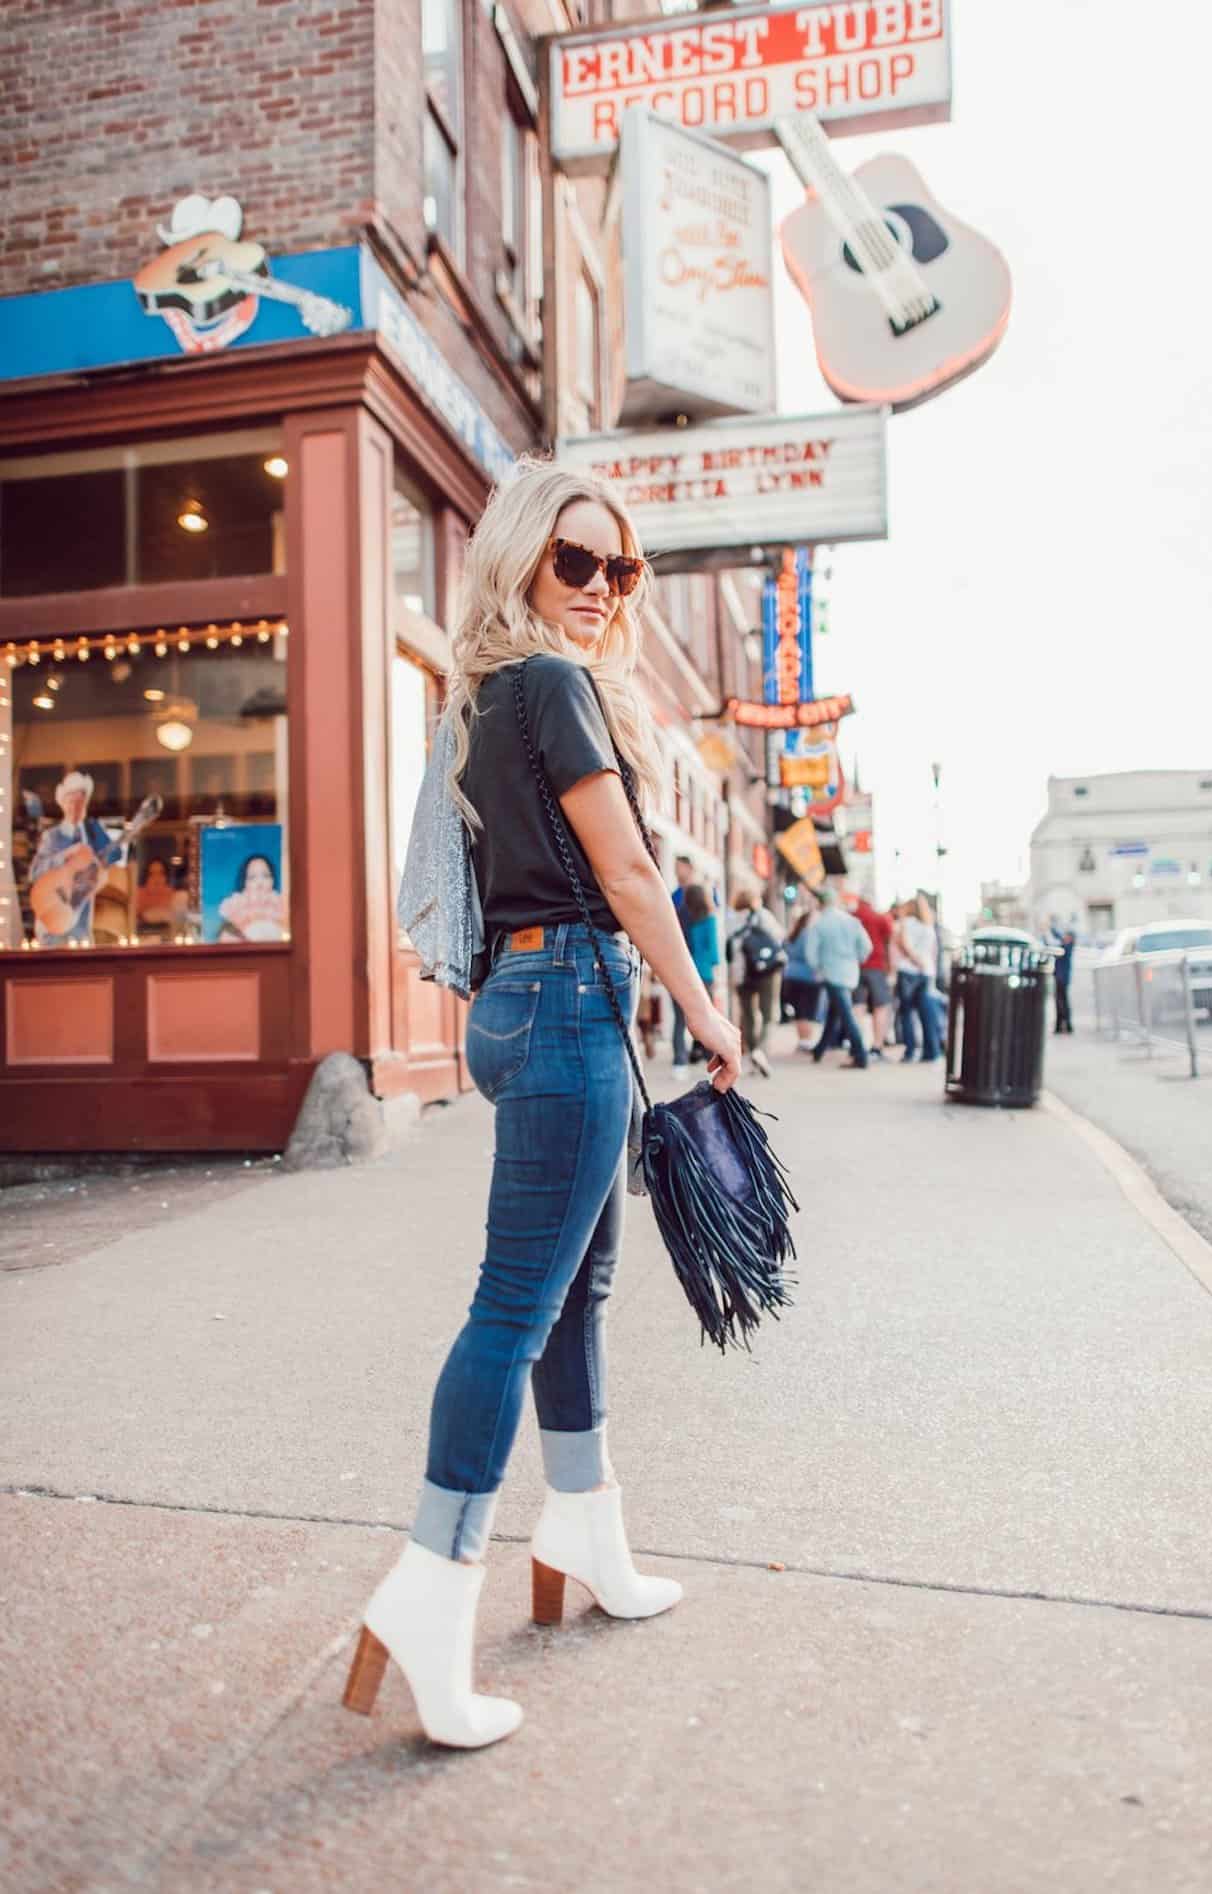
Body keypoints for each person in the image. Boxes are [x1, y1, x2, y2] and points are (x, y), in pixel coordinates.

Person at [344, 461, 742, 1751]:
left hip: (520, 1011)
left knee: (575, 1290)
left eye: (617, 569)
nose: (598, 588)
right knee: (512, 1308)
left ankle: (583, 1529)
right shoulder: (553, 688)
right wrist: (702, 1006)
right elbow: (624, 865)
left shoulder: (475, 703)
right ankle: (428, 1585)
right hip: (571, 998)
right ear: (520, 557)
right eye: (575, 561)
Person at [28, 770, 127, 945]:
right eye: (71, 801)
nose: (75, 806)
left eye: (80, 801)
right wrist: (64, 855)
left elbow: (114, 855)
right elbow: (35, 873)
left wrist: (100, 871)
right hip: (52, 923)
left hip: (81, 928)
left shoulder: (92, 832)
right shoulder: (52, 836)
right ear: (62, 803)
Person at [804, 884, 872, 1068]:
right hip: (850, 972)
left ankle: (861, 1055)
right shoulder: (852, 921)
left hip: (831, 973)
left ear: (820, 903)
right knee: (835, 1012)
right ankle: (819, 1050)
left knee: (846, 1014)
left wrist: (818, 968)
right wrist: (853, 958)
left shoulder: (819, 924)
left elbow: (811, 955)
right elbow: (866, 947)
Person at [727, 887, 785, 1077]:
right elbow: (779, 936)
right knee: (769, 1014)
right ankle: (761, 1050)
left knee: (748, 1015)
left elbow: (727, 947)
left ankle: (752, 1055)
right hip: (766, 970)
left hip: (742, 973)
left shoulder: (731, 919)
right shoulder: (763, 916)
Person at [843, 884, 894, 1059]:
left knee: (858, 1006)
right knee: (881, 1006)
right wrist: (891, 968)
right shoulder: (880, 918)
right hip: (876, 967)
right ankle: (877, 1048)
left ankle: (856, 1046)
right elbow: (889, 943)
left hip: (856, 967)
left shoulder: (851, 918)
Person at [892, 893, 943, 1062]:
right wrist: (927, 967)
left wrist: (915, 960)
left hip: (908, 971)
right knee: (926, 1013)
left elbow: (903, 943)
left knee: (906, 1013)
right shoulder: (929, 926)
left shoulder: (906, 923)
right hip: (927, 973)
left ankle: (910, 1051)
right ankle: (932, 1051)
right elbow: (934, 952)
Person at [682, 881, 722, 1066]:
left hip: (686, 970)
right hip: (704, 971)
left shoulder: (683, 917)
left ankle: (686, 1054)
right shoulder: (709, 919)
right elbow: (713, 952)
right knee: (706, 1013)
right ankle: (707, 1053)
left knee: (684, 1015)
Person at [217, 852, 288, 941]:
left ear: (272, 880)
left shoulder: (281, 906)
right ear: (244, 882)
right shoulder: (236, 908)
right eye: (252, 877)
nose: (260, 882)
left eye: (266, 876)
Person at [780, 907, 822, 1054]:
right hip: (808, 976)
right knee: (808, 1010)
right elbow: (811, 956)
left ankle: (802, 1040)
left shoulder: (794, 933)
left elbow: (785, 948)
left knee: (799, 1011)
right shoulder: (810, 934)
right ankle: (806, 1041)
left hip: (791, 975)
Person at [669, 854, 694, 1078]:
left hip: (695, 965)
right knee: (679, 1016)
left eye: (680, 867)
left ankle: (694, 1055)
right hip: (679, 964)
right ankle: (680, 1059)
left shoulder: (700, 897)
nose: (677, 871)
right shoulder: (673, 897)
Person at [1049, 919, 1076, 1033]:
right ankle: (1061, 1025)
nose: (1064, 937)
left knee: (1062, 1002)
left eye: (1067, 936)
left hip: (1062, 978)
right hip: (1059, 977)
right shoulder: (1064, 945)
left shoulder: (1067, 947)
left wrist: (1052, 924)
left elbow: (1057, 934)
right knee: (1060, 1001)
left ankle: (1066, 1024)